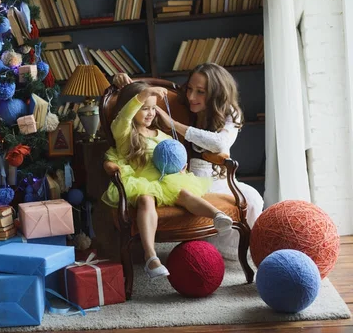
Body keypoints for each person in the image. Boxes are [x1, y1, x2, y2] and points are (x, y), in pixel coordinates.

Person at [112, 63, 264, 260]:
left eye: (200, 92)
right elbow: (142, 105)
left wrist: (173, 124)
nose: (192, 97)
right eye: (189, 89)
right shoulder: (183, 103)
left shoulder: (230, 113)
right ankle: (208, 250)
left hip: (217, 176)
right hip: (187, 175)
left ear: (216, 94)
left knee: (252, 198)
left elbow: (220, 144)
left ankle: (241, 252)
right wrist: (127, 83)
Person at [101, 81, 234, 280]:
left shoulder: (160, 134)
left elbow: (174, 155)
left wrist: (180, 167)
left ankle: (217, 216)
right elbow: (125, 116)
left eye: (153, 108)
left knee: (185, 194)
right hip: (140, 182)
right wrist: (146, 92)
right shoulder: (124, 133)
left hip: (167, 180)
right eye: (144, 108)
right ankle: (151, 257)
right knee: (146, 199)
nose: (150, 113)